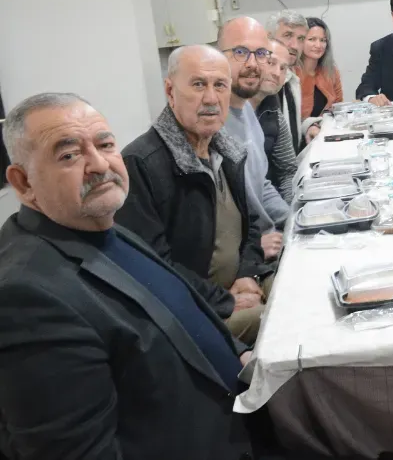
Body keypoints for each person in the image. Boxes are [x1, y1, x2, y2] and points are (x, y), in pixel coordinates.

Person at [0, 92, 254, 459]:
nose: (99, 164)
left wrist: (238, 353)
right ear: (24, 183)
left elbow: (178, 308)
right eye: (69, 155)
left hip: (242, 405)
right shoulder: (25, 296)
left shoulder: (100, 223)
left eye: (105, 145)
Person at [118, 45, 271, 343]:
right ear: (170, 91)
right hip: (192, 313)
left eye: (220, 85)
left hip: (240, 285)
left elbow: (251, 223)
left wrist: (247, 273)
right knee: (285, 320)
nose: (211, 98)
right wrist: (225, 300)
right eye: (199, 84)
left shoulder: (226, 149)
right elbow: (152, 268)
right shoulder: (141, 163)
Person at [217, 17, 289, 246]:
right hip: (249, 252)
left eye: (260, 53)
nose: (252, 63)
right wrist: (255, 245)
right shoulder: (212, 123)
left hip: (268, 238)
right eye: (240, 52)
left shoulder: (247, 110)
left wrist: (294, 220)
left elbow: (261, 186)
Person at [251, 39, 298, 204]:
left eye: (283, 68)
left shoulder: (274, 113)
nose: (277, 73)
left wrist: (290, 211)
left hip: (271, 204)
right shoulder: (227, 113)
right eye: (271, 63)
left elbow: (288, 171)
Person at [265, 10, 308, 152]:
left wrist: (308, 126)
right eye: (288, 35)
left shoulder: (292, 80)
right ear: (268, 38)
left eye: (301, 38)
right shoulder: (261, 83)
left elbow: (289, 126)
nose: (295, 45)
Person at [297, 17, 343, 145]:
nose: (318, 45)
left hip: (325, 135)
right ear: (300, 41)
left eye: (323, 40)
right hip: (298, 140)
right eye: (312, 39)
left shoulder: (331, 71)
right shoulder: (291, 74)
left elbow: (338, 106)